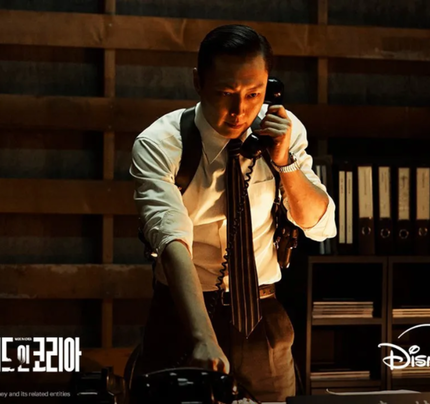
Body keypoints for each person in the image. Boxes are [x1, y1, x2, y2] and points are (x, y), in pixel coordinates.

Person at [129, 24, 336, 402]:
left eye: (254, 94)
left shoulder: (284, 131)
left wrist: (285, 162)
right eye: (225, 93)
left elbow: (318, 224)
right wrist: (202, 337)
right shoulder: (160, 143)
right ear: (198, 82)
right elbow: (171, 238)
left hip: (261, 312)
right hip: (183, 314)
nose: (240, 110)